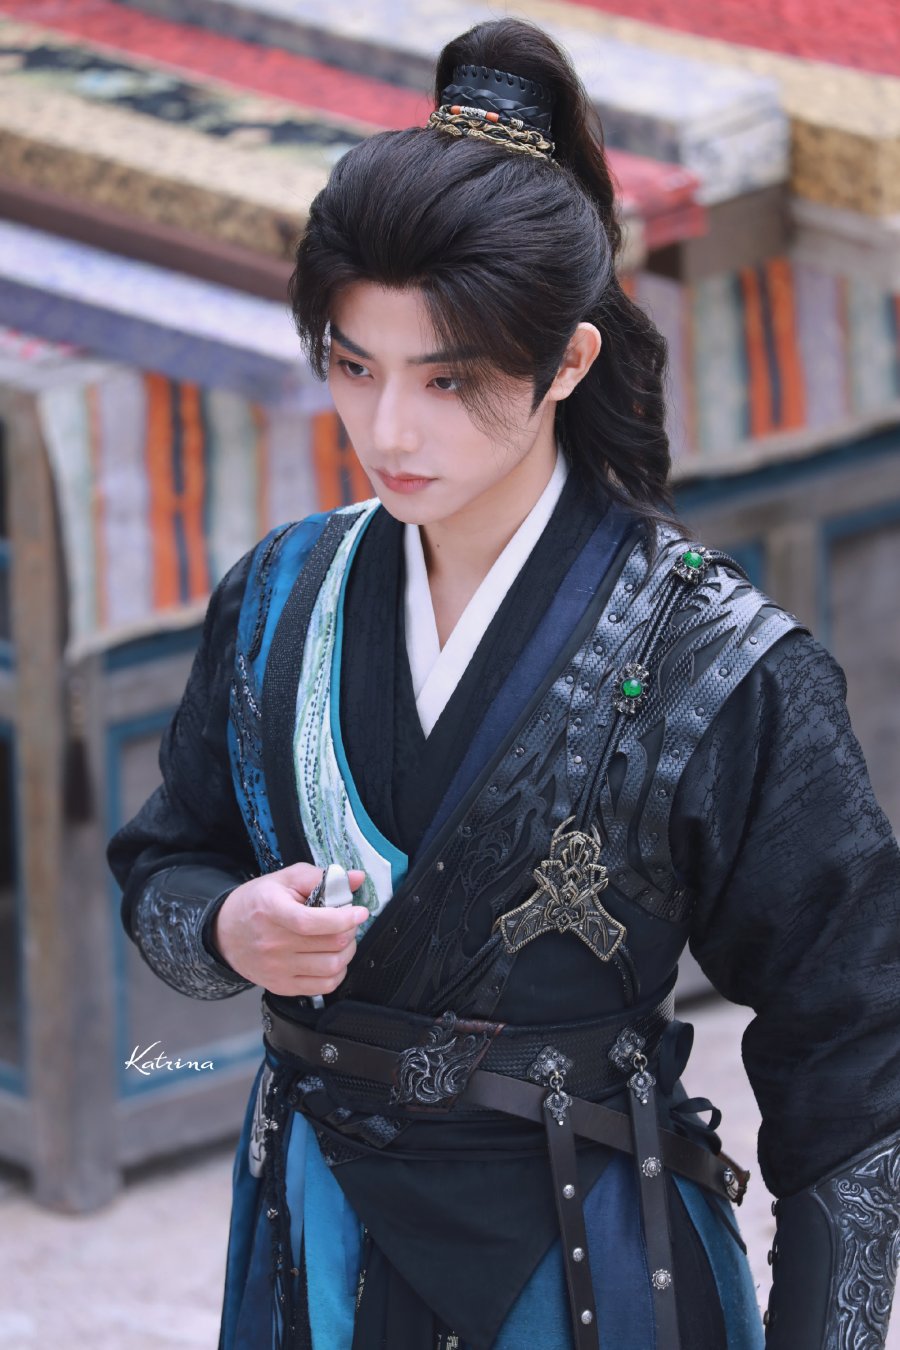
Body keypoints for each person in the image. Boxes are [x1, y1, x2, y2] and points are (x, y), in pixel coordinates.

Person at [107, 16, 900, 1350]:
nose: (388, 428)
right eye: (354, 366)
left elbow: (856, 1037)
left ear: (567, 362)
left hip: (586, 1249)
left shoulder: (711, 657)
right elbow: (163, 864)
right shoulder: (280, 599)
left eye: (449, 378)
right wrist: (232, 928)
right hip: (316, 1224)